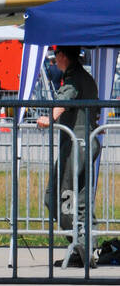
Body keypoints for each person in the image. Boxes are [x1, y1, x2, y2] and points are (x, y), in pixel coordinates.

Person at [36, 46, 100, 267]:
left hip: (76, 145)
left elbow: (65, 99)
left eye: (55, 58)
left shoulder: (73, 79)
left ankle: (80, 246)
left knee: (63, 196)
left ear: (63, 56)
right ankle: (86, 246)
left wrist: (49, 118)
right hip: (84, 143)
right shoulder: (85, 77)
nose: (54, 62)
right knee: (75, 199)